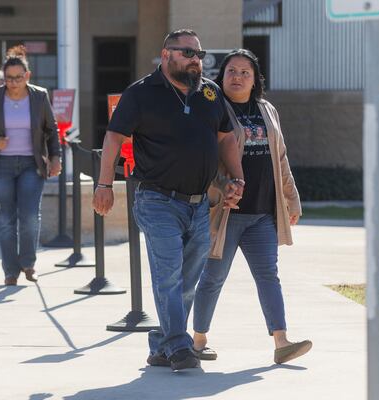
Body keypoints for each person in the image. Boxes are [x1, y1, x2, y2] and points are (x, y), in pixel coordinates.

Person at [92, 29, 244, 371]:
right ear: (166, 55)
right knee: (169, 276)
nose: (196, 60)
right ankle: (179, 346)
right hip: (156, 199)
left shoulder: (209, 92)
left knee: (187, 279)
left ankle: (162, 344)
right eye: (188, 52)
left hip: (199, 203)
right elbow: (114, 138)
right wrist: (104, 184)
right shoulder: (141, 94)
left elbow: (227, 139)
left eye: (200, 54)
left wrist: (237, 178)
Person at [192, 49, 312, 365]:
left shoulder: (267, 110)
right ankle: (198, 339)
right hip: (227, 212)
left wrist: (291, 198)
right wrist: (220, 185)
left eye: (245, 72)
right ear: (222, 75)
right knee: (213, 276)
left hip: (262, 213)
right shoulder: (214, 109)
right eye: (232, 71)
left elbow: (281, 158)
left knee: (268, 276)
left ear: (255, 79)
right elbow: (202, 160)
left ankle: (281, 342)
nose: (238, 77)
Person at [0, 46, 61, 286]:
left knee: (30, 216)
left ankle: (29, 263)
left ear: (27, 76)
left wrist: (56, 157)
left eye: (18, 78)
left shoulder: (38, 96)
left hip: (30, 164)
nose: (13, 83)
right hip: (0, 165)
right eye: (9, 78)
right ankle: (10, 271)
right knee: (6, 218)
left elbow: (51, 129)